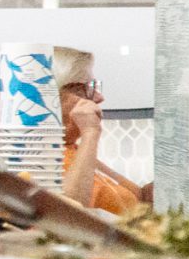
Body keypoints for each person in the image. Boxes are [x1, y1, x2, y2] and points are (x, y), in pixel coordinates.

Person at [59, 57, 144, 213]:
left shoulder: (72, 149)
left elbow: (141, 196)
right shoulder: (44, 158)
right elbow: (69, 214)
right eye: (83, 89)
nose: (99, 97)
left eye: (93, 86)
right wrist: (90, 133)